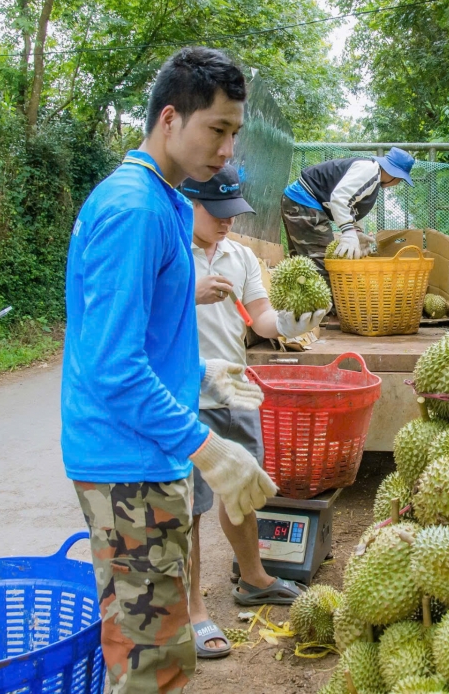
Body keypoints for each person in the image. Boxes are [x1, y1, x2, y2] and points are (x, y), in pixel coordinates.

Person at [63, 47, 276, 693]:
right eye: (217, 129)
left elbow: (150, 334)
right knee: (151, 661)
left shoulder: (165, 200)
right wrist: (207, 446)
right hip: (129, 459)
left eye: (235, 133)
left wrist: (203, 381)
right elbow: (113, 366)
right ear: (169, 119)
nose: (228, 151)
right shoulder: (134, 209)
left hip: (150, 449)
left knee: (159, 649)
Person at [180, 167, 311, 659]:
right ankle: (192, 609)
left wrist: (293, 319)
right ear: (188, 203)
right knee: (188, 506)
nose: (226, 223)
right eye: (216, 213)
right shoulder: (170, 251)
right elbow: (141, 313)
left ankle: (253, 578)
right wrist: (188, 293)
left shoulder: (241, 256)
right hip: (184, 395)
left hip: (234, 390)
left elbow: (259, 317)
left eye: (232, 214)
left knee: (243, 491)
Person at [281, 147, 416, 272]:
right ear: (396, 175)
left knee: (302, 264)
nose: (398, 183)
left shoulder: (374, 179)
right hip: (304, 201)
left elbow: (353, 205)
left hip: (298, 201)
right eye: (401, 180)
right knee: (325, 266)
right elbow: (339, 198)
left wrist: (357, 231)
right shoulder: (370, 170)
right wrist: (348, 232)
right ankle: (330, 299)